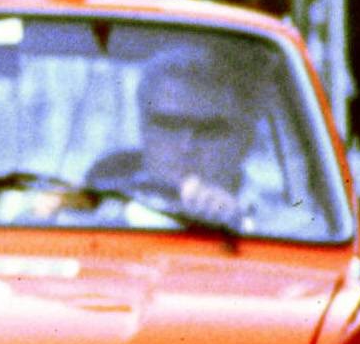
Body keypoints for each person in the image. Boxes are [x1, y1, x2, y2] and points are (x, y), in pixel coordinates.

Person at [89, 49, 265, 227]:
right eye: (169, 125)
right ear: (144, 131)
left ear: (244, 140)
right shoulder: (89, 215)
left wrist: (240, 229)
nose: (186, 146)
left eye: (208, 130)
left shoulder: (281, 227)